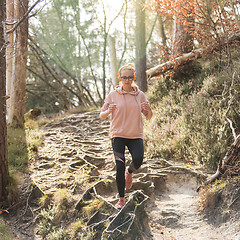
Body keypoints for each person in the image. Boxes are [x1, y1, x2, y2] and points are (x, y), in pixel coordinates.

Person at [100, 65, 152, 209]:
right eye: (124, 77)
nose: (127, 80)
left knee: (138, 160)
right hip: (118, 135)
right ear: (120, 78)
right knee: (119, 165)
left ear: (134, 77)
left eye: (130, 77)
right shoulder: (113, 95)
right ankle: (121, 199)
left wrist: (148, 110)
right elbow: (102, 115)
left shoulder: (140, 95)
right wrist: (108, 111)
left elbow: (148, 117)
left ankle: (129, 172)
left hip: (135, 135)